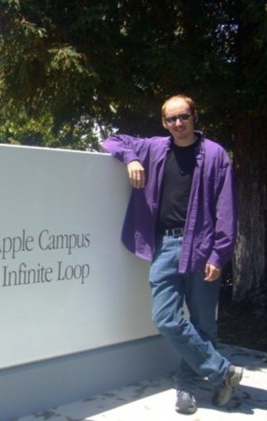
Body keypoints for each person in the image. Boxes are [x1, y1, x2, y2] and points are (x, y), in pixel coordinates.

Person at [101, 94, 243, 415]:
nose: (178, 124)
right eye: (171, 119)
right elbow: (111, 140)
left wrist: (219, 255)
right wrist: (130, 159)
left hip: (203, 248)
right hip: (165, 245)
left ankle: (187, 387)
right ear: (164, 122)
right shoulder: (154, 148)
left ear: (195, 117)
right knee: (165, 317)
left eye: (183, 117)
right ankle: (224, 373)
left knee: (204, 324)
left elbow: (226, 210)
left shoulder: (215, 155)